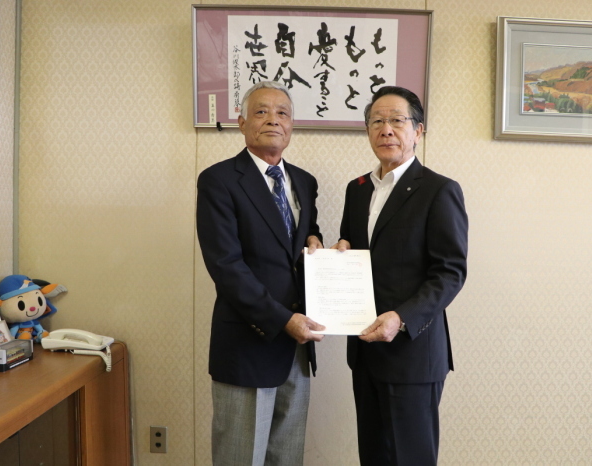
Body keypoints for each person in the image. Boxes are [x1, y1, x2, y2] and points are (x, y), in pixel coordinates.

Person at [335, 86, 468, 465]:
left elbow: (450, 272)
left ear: (418, 131)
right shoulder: (357, 190)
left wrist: (402, 318)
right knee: (374, 456)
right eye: (376, 121)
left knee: (410, 458)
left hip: (413, 351)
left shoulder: (439, 190)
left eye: (397, 120)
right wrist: (340, 253)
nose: (386, 129)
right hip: (364, 349)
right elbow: (356, 250)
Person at [196, 81, 325, 466]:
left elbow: (302, 235)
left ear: (292, 125)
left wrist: (317, 239)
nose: (273, 119)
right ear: (241, 122)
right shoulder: (218, 180)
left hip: (298, 349)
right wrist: (283, 319)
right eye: (261, 111)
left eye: (283, 112)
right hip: (248, 343)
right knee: (241, 458)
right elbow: (226, 266)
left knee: (287, 457)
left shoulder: (303, 181)